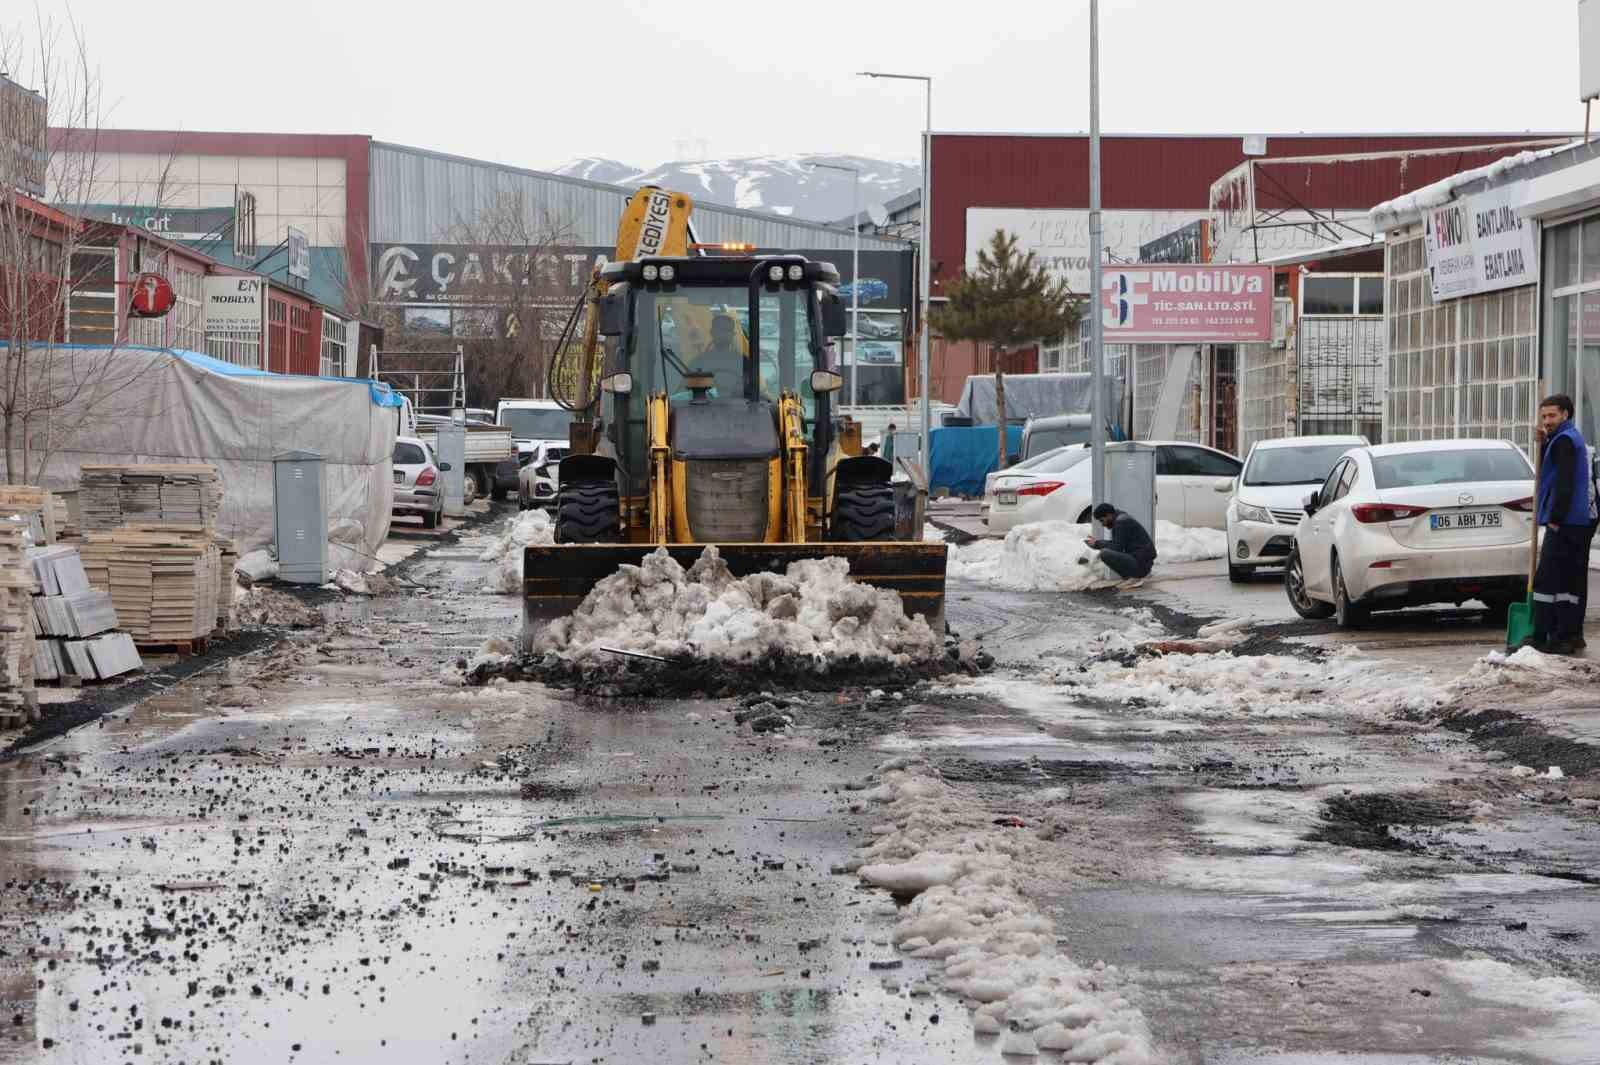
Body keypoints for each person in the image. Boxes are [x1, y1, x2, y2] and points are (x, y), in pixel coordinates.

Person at [1529, 394, 1591, 654]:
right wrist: (1543, 444)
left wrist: (1554, 519)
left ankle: (1540, 636)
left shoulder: (1564, 441)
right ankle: (1567, 634)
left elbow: (1564, 482)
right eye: (1544, 417)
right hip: (1577, 522)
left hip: (1564, 522)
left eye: (1552, 416)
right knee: (1569, 583)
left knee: (1545, 581)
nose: (1547, 421)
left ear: (1565, 414)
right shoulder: (1569, 438)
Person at [1084, 502, 1157, 583]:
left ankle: (1134, 578)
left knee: (1105, 554)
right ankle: (1131, 578)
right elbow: (1117, 543)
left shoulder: (1121, 522)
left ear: (1108, 515)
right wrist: (1098, 542)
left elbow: (1116, 547)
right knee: (1106, 552)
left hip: (1141, 564)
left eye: (1102, 520)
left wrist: (1097, 543)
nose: (1102, 524)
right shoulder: (1121, 519)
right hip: (1140, 560)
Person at [694, 315, 745, 396]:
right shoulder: (699, 362)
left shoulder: (744, 362)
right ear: (712, 332)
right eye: (720, 330)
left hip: (738, 406)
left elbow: (752, 391)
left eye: (728, 330)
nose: (724, 334)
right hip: (706, 406)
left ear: (733, 334)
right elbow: (688, 392)